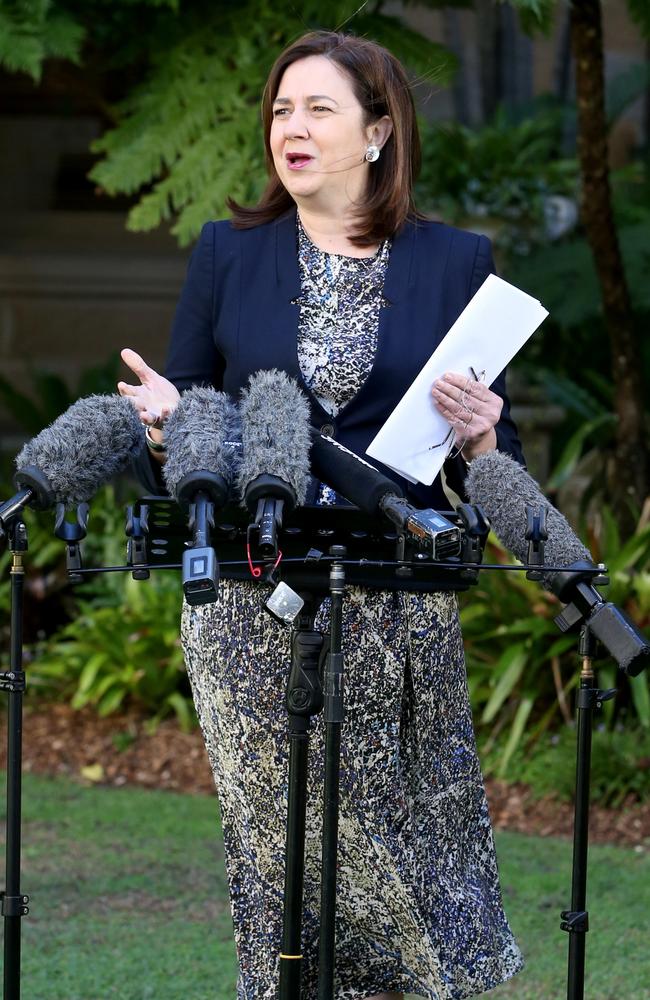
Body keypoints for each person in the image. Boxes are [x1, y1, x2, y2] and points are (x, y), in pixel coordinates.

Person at [118, 30, 524, 1000]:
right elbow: (183, 427)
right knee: (283, 851)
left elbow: (479, 477)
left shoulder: (456, 263)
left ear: (378, 132)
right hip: (248, 608)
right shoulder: (227, 253)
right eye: (278, 111)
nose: (289, 129)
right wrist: (170, 434)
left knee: (395, 839)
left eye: (317, 109)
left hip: (396, 609)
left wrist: (482, 441)